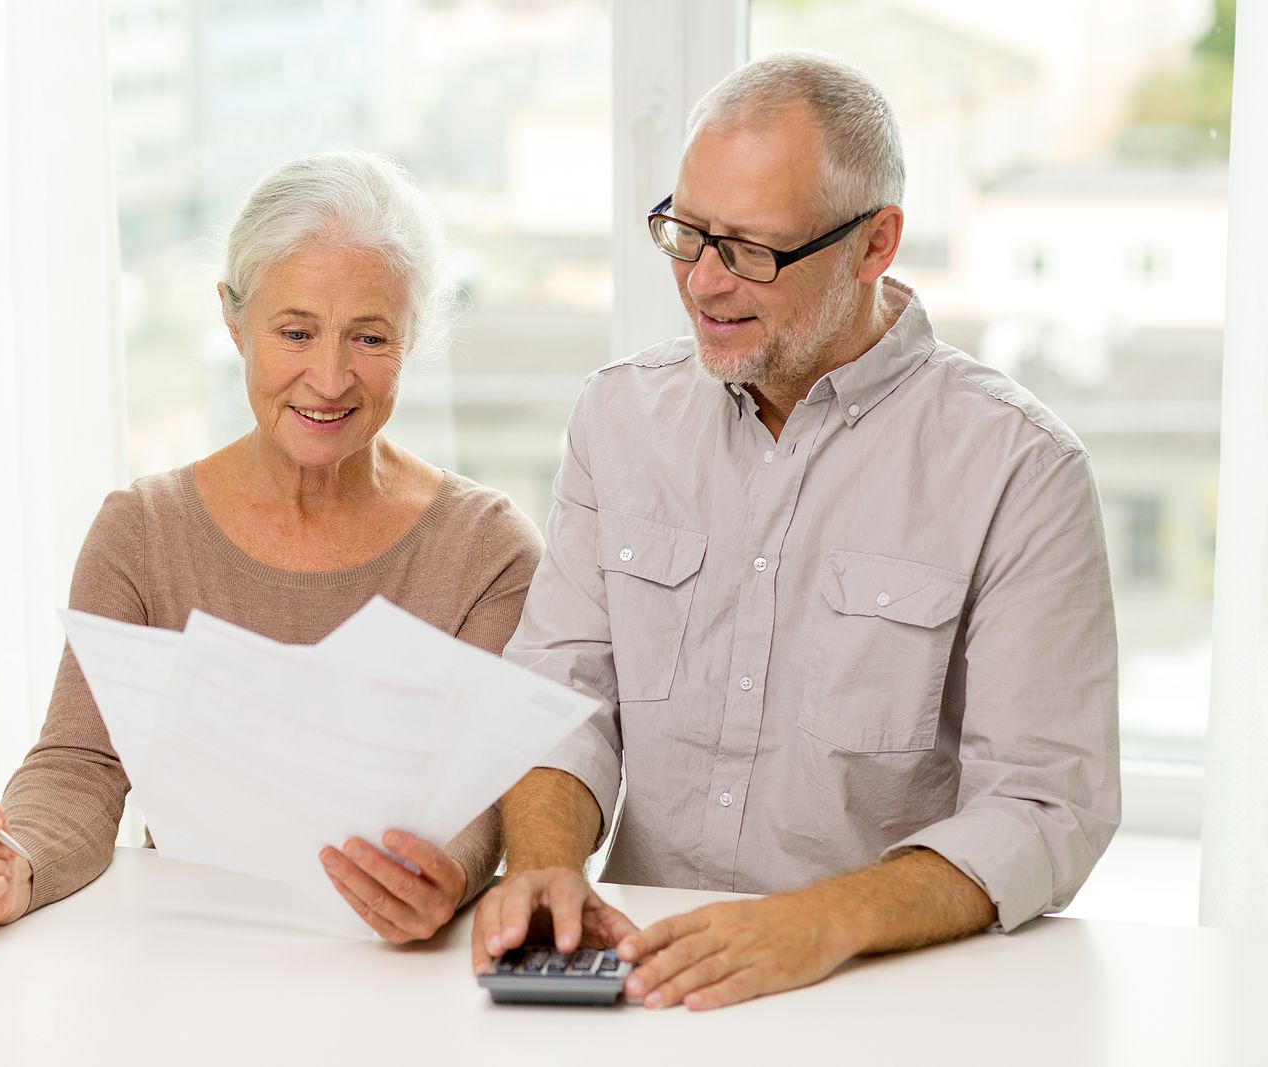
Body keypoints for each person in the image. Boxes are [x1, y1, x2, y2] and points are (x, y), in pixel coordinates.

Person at [472, 50, 1119, 1010]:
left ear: (875, 243)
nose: (704, 283)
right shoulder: (617, 418)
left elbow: (1046, 803)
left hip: (885, 991)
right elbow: (561, 692)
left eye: (752, 250)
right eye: (687, 234)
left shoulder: (1020, 467)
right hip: (646, 978)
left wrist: (820, 921)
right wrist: (544, 865)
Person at [0, 151, 543, 942]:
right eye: (296, 332)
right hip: (190, 951)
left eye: (370, 337)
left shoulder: (488, 551)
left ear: (412, 338)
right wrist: (16, 861)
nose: (330, 377)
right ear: (233, 320)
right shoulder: (141, 532)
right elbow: (80, 764)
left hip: (396, 970)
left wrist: (443, 874)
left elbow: (489, 796)